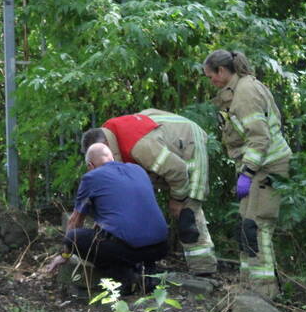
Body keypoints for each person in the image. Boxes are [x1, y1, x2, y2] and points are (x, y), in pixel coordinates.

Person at [81, 110, 217, 276]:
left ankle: (203, 272)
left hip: (189, 146)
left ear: (106, 148)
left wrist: (177, 199)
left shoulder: (140, 146)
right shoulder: (112, 137)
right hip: (166, 147)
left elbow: (177, 169)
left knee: (187, 212)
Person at [203, 49, 292, 299]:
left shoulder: (246, 93)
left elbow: (259, 138)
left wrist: (248, 172)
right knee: (245, 224)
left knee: (257, 226)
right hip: (257, 168)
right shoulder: (241, 89)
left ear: (222, 71)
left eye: (212, 77)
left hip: (268, 166)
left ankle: (264, 292)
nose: (212, 82)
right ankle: (247, 283)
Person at [46, 143, 170, 293]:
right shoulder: (137, 169)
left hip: (130, 249)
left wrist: (65, 254)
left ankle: (127, 278)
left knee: (74, 237)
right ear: (112, 158)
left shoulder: (91, 177)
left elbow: (75, 221)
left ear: (90, 165)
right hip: (161, 246)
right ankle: (148, 270)